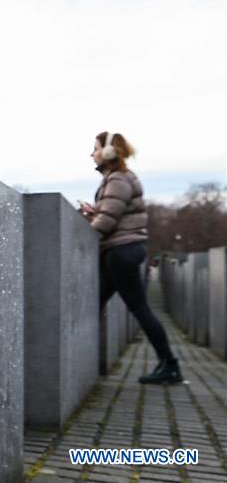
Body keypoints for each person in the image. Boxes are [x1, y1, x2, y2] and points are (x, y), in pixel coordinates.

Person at [77, 131, 183, 385]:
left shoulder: (118, 179)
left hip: (121, 252)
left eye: (95, 148)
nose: (92, 154)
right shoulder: (116, 179)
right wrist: (94, 212)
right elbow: (111, 214)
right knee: (94, 303)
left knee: (138, 308)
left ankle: (170, 365)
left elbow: (108, 221)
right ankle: (80, 364)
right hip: (120, 250)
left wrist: (82, 242)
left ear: (108, 152)